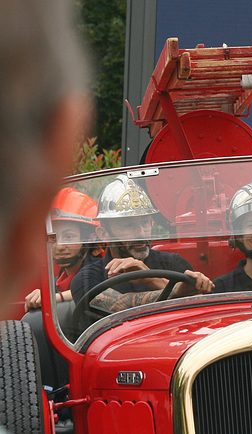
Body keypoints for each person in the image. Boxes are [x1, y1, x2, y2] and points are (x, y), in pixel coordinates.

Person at [0, 0, 93, 320]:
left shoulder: (94, 273)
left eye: (71, 236)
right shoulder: (75, 278)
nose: (62, 245)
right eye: (58, 236)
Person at [70, 174, 213, 312]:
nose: (140, 232)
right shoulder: (86, 278)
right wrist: (174, 289)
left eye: (145, 223)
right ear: (104, 234)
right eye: (128, 225)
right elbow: (118, 305)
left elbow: (195, 306)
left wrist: (150, 278)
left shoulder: (173, 263)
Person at [24, 188, 101, 311]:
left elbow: (97, 289)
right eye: (53, 238)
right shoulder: (56, 284)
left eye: (69, 237)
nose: (59, 246)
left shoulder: (103, 272)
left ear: (89, 239)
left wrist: (54, 297)